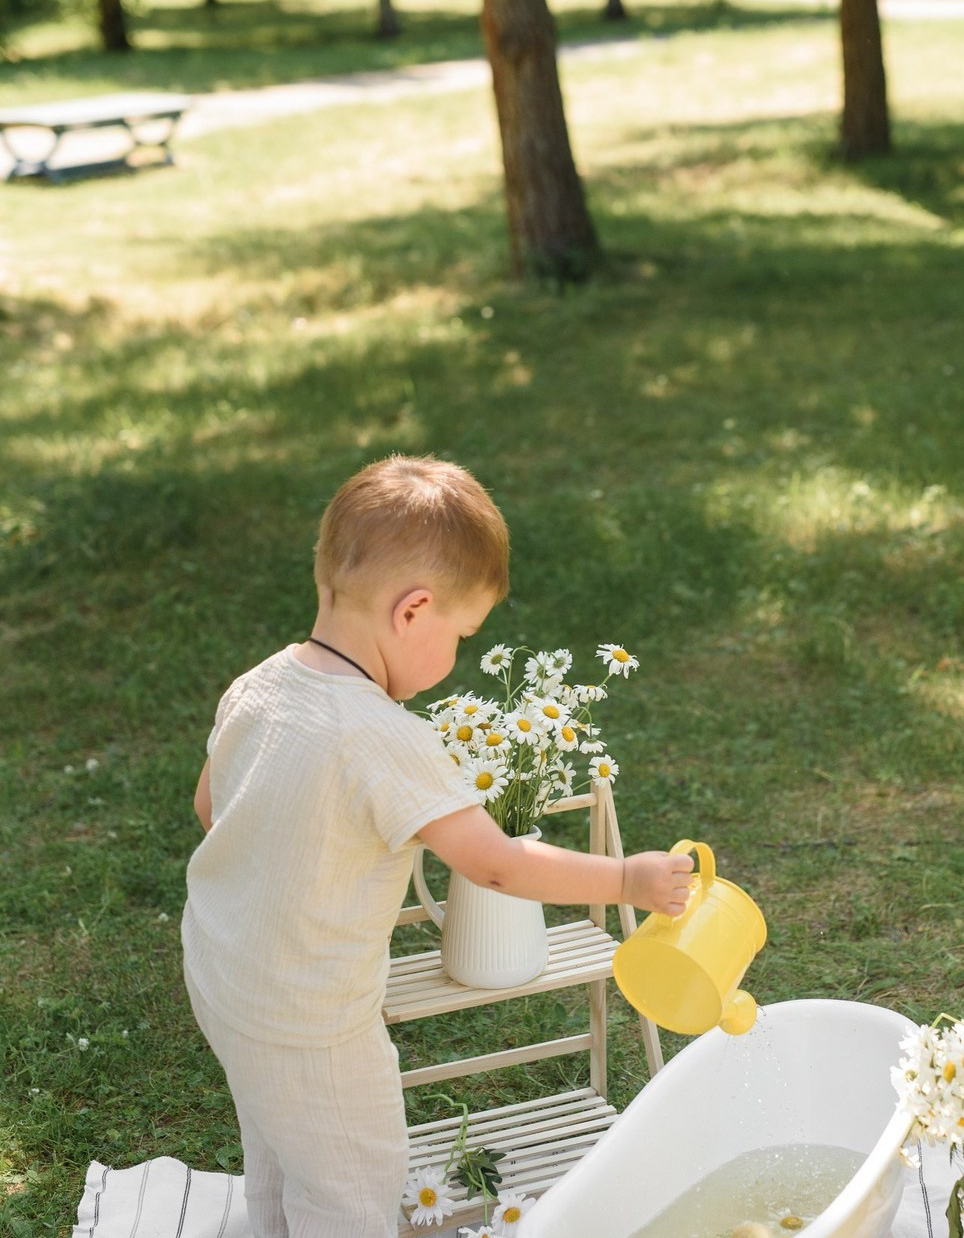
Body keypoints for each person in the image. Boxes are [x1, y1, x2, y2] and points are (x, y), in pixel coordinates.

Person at [181, 455, 693, 1238]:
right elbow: (495, 862)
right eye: (462, 634)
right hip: (314, 1017)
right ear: (413, 610)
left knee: (280, 1139)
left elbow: (210, 806)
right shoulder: (384, 738)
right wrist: (627, 877)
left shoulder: (259, 685)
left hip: (223, 977)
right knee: (351, 1185)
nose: (455, 653)